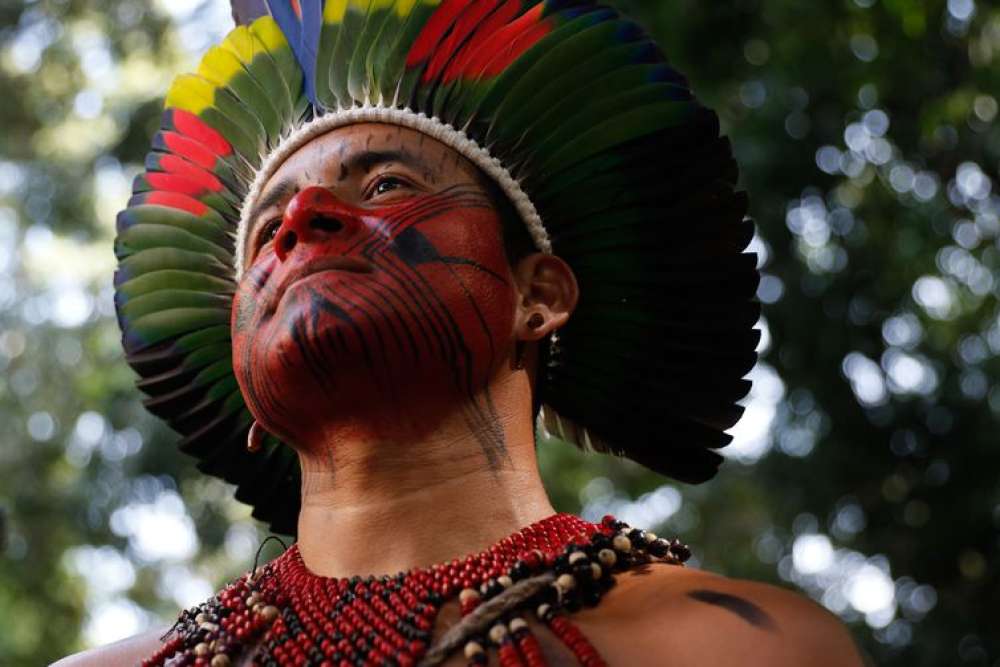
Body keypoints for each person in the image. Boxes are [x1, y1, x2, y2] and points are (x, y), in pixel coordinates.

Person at [57, 1, 865, 665]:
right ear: (245, 378)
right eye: (268, 227)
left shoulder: (731, 647)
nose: (301, 220)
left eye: (386, 183)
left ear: (537, 295)